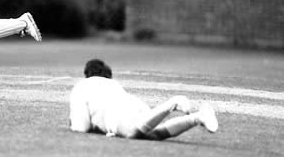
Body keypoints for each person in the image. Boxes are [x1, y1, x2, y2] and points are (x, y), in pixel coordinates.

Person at [69, 59, 218, 140]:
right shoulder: (113, 84)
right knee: (154, 134)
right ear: (107, 74)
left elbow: (81, 127)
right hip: (134, 104)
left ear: (87, 74)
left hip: (117, 115)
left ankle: (174, 102)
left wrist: (73, 123)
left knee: (133, 132)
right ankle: (199, 117)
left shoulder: (81, 86)